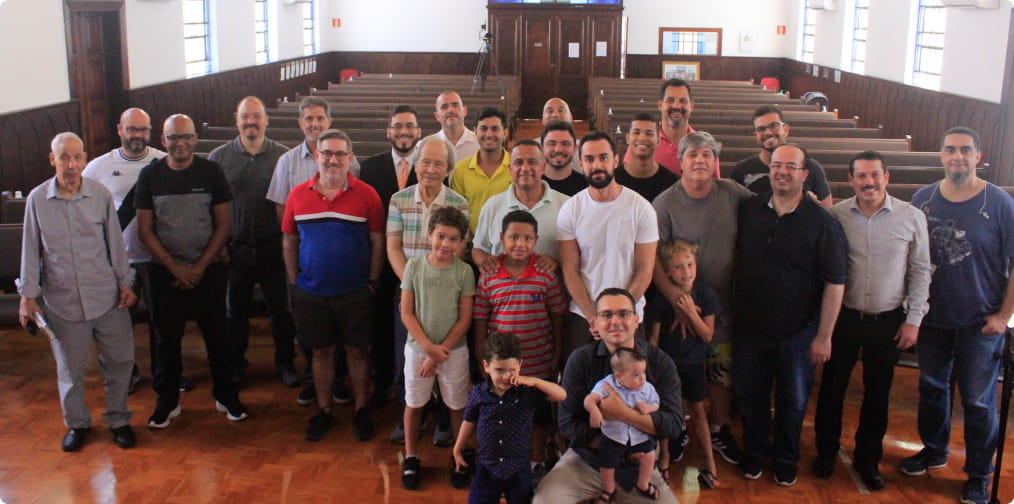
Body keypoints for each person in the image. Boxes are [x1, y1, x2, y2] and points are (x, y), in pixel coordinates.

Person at [902, 127, 1014, 504]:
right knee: (932, 389)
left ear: (978, 156)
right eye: (950, 149)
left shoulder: (998, 203)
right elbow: (911, 258)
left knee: (978, 401)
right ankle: (934, 450)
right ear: (941, 154)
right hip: (933, 318)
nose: (957, 157)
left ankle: (980, 473)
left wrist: (1004, 315)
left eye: (965, 150)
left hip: (980, 322)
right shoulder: (924, 199)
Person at [813, 150, 931, 491]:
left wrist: (914, 319)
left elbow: (922, 270)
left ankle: (868, 460)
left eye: (875, 175)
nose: (868, 182)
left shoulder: (911, 217)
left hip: (889, 319)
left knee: (878, 394)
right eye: (861, 176)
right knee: (831, 391)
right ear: (850, 180)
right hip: (844, 318)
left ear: (886, 177)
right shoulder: (835, 216)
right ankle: (825, 453)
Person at [733, 143, 846, 485]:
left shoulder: (822, 222)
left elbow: (835, 282)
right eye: (776, 165)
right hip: (751, 326)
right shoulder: (749, 209)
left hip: (799, 331)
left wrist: (824, 336)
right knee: (751, 396)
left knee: (793, 401)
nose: (782, 172)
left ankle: (785, 458)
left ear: (805, 174)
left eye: (791, 167)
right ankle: (754, 453)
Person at [18, 132, 138, 452]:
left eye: (76, 158)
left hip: (106, 296)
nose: (71, 165)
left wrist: (126, 283)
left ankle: (119, 419)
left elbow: (115, 243)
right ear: (52, 159)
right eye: (64, 157)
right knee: (69, 370)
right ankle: (77, 423)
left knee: (120, 361)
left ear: (84, 160)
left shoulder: (99, 195)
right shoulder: (37, 199)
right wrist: (27, 297)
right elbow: (31, 251)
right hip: (63, 300)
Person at [135, 114, 248, 427]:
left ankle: (227, 395)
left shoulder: (211, 172)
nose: (179, 143)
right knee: (166, 339)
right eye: (173, 138)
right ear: (163, 140)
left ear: (195, 139)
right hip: (164, 272)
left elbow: (224, 224)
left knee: (217, 337)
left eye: (185, 137)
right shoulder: (150, 176)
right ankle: (167, 401)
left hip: (208, 270)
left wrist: (197, 267)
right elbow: (145, 230)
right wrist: (176, 268)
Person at [651, 131, 751, 466]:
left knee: (721, 369)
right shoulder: (664, 203)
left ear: (715, 161)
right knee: (679, 369)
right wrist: (679, 300)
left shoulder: (734, 194)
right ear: (680, 161)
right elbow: (651, 258)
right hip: (678, 310)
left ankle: (720, 428)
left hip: (722, 305)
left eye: (707, 154)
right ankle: (677, 426)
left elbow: (768, 210)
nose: (700, 161)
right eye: (692, 155)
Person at [281, 129, 384, 442]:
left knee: (358, 352)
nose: (333, 159)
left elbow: (377, 241)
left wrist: (372, 280)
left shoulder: (367, 194)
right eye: (327, 153)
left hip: (355, 291)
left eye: (340, 154)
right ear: (317, 156)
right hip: (312, 292)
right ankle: (324, 410)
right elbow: (289, 240)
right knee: (321, 353)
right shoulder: (298, 194)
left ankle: (361, 409)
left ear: (350, 159)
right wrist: (294, 280)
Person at [533, 288, 682, 504]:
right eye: (606, 315)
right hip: (586, 461)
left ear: (637, 319)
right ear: (595, 323)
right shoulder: (580, 360)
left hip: (639, 465)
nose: (615, 321)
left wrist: (622, 414)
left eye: (623, 314)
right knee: (544, 501)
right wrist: (615, 446)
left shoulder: (660, 362)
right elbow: (567, 425)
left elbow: (673, 424)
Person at [266, 95, 353, 407]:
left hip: (341, 258)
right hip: (305, 255)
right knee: (309, 329)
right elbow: (281, 212)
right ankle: (313, 382)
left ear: (328, 122)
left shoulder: (346, 158)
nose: (314, 124)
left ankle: (338, 381)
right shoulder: (287, 162)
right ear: (300, 123)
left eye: (320, 119)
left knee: (341, 328)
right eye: (309, 119)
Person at [208, 96, 299, 388]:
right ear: (237, 120)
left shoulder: (282, 156)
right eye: (245, 116)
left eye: (256, 116)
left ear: (266, 120)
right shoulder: (219, 157)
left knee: (281, 311)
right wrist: (218, 244)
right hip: (235, 248)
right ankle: (236, 364)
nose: (251, 122)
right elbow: (210, 205)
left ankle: (285, 362)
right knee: (235, 312)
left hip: (273, 245)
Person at [386, 136, 470, 445]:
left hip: (447, 294)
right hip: (410, 292)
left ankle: (444, 423)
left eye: (438, 163)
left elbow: (459, 252)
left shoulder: (459, 203)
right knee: (406, 358)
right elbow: (393, 247)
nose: (430, 169)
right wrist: (412, 282)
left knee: (446, 360)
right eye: (425, 162)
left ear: (448, 168)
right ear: (415, 165)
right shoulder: (399, 199)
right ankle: (411, 416)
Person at [473, 210, 567, 476]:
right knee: (505, 414)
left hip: (538, 360)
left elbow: (557, 316)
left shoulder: (545, 275)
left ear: (536, 240)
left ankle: (536, 461)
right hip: (501, 365)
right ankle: (506, 462)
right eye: (513, 237)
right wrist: (483, 360)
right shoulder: (489, 275)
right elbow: (481, 320)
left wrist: (557, 352)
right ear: (502, 238)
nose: (520, 244)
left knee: (537, 414)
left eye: (527, 238)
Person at [82, 107, 167, 394]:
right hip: (119, 262)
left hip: (156, 257)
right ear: (120, 129)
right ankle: (126, 374)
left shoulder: (161, 161)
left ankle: (164, 373)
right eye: (132, 129)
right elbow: (83, 208)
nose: (137, 135)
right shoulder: (98, 167)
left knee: (162, 321)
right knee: (119, 325)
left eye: (143, 130)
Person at [557, 132, 658, 362]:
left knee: (630, 390)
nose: (597, 165)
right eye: (590, 159)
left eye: (603, 158)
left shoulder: (641, 209)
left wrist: (618, 315)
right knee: (579, 391)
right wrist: (595, 317)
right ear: (581, 163)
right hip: (584, 316)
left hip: (629, 316)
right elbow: (570, 270)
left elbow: (645, 270)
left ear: (616, 160)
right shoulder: (571, 210)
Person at [399, 206, 476, 490]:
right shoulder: (414, 267)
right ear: (430, 234)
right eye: (441, 236)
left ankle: (459, 454)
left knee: (457, 404)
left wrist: (440, 350)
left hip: (454, 350)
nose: (446, 244)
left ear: (462, 242)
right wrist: (428, 349)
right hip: (418, 348)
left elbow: (464, 319)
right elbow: (407, 313)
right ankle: (410, 456)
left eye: (454, 239)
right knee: (414, 403)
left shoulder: (465, 271)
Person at [452, 332, 567, 504]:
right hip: (487, 466)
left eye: (512, 370)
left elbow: (561, 395)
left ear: (520, 365)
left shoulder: (527, 392)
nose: (506, 376)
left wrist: (534, 381)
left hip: (518, 467)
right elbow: (468, 421)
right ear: (486, 366)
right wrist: (457, 448)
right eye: (499, 370)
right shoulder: (478, 393)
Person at [359, 104, 422, 408]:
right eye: (398, 126)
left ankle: (415, 388)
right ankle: (383, 380)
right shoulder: (371, 167)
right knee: (381, 324)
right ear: (389, 132)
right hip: (380, 262)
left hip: (416, 262)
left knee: (414, 325)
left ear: (418, 132)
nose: (404, 132)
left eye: (409, 126)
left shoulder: (429, 165)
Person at [647, 239, 720, 489]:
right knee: (667, 413)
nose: (686, 272)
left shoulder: (705, 294)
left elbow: (707, 335)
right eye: (678, 267)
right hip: (667, 368)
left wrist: (690, 312)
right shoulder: (660, 298)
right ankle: (664, 457)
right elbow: (654, 340)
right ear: (666, 272)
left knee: (698, 412)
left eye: (690, 265)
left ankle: (710, 463)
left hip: (694, 364)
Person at [472, 139, 569, 273]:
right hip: (503, 291)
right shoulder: (492, 205)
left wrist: (557, 263)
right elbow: (478, 249)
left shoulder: (566, 205)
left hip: (550, 291)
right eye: (518, 162)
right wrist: (485, 261)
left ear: (544, 168)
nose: (525, 168)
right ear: (510, 169)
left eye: (532, 162)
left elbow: (580, 255)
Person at [584, 348, 661, 502]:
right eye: (636, 375)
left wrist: (649, 408)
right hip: (613, 436)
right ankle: (609, 490)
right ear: (619, 376)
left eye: (643, 372)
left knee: (650, 456)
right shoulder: (606, 384)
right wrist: (594, 411)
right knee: (607, 464)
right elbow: (589, 399)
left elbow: (656, 404)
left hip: (639, 436)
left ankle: (643, 484)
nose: (642, 379)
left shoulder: (647, 388)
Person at [730, 105, 833, 208]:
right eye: (761, 129)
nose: (768, 133)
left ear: (786, 129)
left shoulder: (810, 167)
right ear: (755, 135)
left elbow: (828, 211)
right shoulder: (742, 170)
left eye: (774, 126)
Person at [623, 78, 719, 178]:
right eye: (670, 100)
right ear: (660, 105)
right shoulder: (644, 142)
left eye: (683, 101)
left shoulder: (704, 146)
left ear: (692, 106)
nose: (677, 106)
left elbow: (714, 187)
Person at [450, 107, 512, 234]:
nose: (489, 134)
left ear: (505, 133)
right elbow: (457, 212)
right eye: (483, 129)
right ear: (475, 132)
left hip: (510, 247)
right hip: (469, 246)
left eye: (495, 129)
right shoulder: (462, 169)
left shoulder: (516, 167)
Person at [615, 113, 679, 203]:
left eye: (649, 133)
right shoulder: (613, 180)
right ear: (628, 138)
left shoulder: (672, 184)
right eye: (636, 132)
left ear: (658, 141)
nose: (642, 138)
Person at [423, 90, 479, 164]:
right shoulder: (424, 146)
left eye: (455, 105)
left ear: (464, 111)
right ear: (437, 116)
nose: (450, 110)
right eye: (444, 107)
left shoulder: (480, 143)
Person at [540, 120, 587, 196]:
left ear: (575, 149)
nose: (558, 149)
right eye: (552, 143)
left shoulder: (587, 188)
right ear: (541, 148)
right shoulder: (532, 184)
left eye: (565, 144)